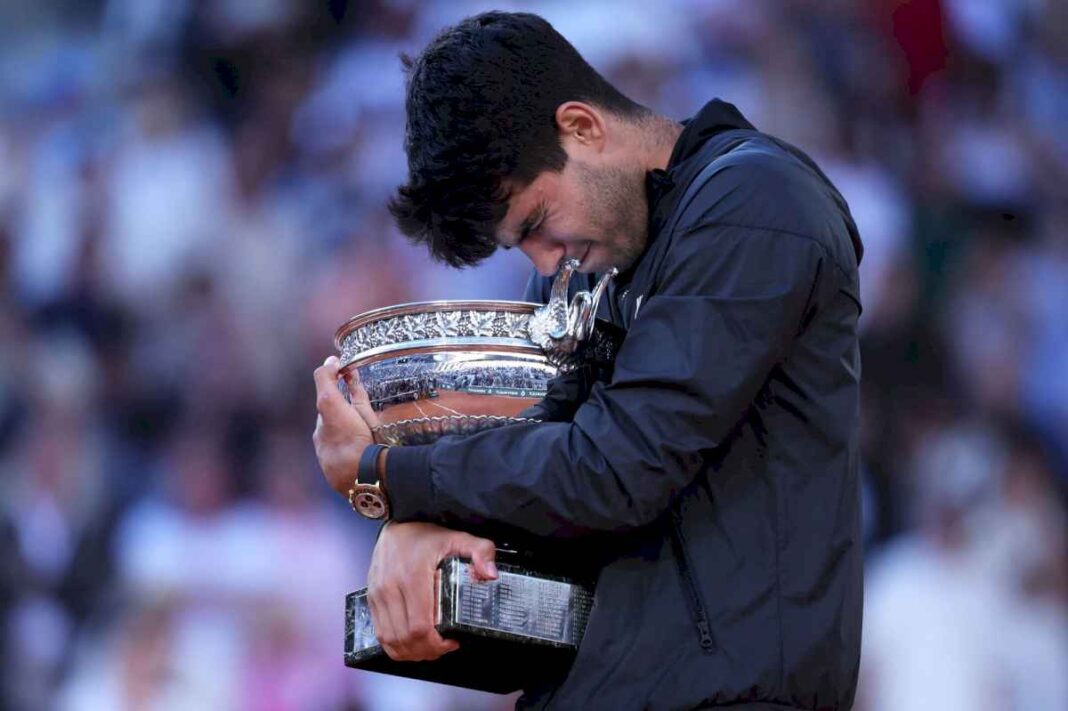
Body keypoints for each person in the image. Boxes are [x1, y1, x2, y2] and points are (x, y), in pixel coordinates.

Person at [313, 11, 864, 711]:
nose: (543, 261)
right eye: (522, 247)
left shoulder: (756, 204)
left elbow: (616, 467)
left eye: (537, 225)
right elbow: (539, 477)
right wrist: (416, 530)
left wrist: (390, 478)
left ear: (582, 125)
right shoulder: (581, 269)